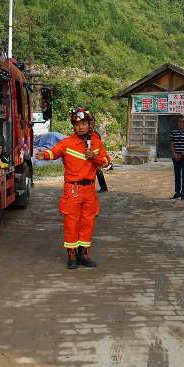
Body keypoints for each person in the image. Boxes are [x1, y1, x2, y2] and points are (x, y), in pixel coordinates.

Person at [34, 107, 110, 269]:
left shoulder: (96, 143)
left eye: (83, 123)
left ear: (90, 124)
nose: (80, 127)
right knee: (71, 223)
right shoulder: (67, 143)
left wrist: (94, 157)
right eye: (77, 124)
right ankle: (72, 256)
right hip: (73, 190)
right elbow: (53, 152)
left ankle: (84, 255)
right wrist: (44, 155)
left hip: (89, 190)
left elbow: (107, 162)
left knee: (87, 222)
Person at [170, 115, 184, 199]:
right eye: (180, 121)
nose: (182, 123)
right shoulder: (174, 132)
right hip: (175, 157)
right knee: (177, 176)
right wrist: (174, 154)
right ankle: (177, 192)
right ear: (178, 123)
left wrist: (181, 154)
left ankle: (183, 193)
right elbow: (171, 144)